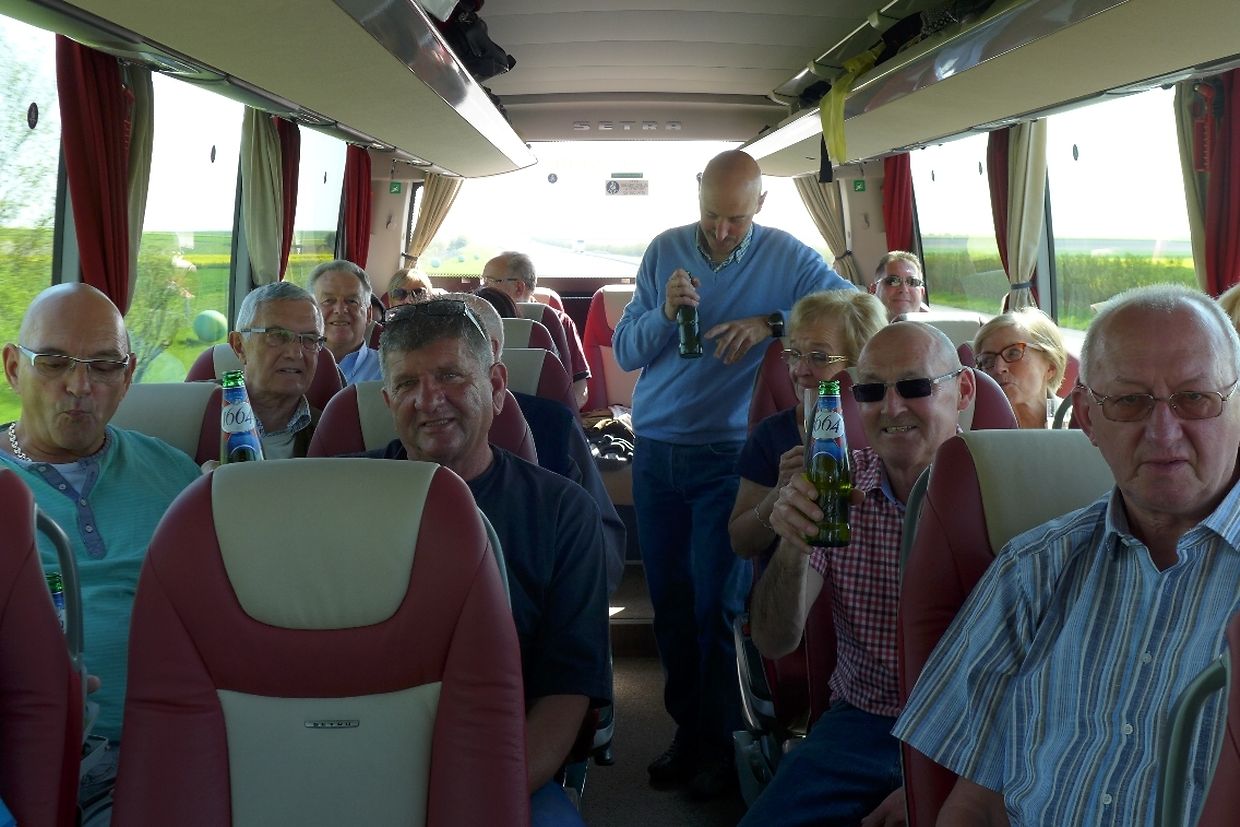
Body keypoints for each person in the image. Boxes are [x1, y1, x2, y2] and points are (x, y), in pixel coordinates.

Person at [894, 284, 1240, 826]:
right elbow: (976, 804)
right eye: (1128, 401)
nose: (1163, 432)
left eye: (1195, 398)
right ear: (1087, 418)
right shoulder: (1031, 572)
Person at [612, 148, 854, 797]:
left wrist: (772, 324)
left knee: (715, 605)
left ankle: (722, 743)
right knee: (670, 603)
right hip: (655, 448)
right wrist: (664, 313)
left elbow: (856, 308)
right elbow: (627, 350)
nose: (721, 231)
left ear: (761, 206)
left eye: (737, 220)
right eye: (712, 215)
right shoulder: (664, 250)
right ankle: (689, 731)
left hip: (725, 453)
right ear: (698, 195)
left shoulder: (788, 256)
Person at [371, 299, 610, 826]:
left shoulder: (561, 512)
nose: (428, 400)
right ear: (388, 400)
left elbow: (567, 688)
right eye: (407, 384)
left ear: (497, 386)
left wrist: (480, 799)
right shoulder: (340, 495)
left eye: (450, 376)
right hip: (360, 755)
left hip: (501, 761)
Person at [737, 322, 975, 826]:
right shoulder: (836, 493)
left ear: (964, 390)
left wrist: (938, 787)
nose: (892, 408)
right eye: (870, 392)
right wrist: (793, 545)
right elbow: (776, 642)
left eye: (914, 386)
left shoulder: (1004, 492)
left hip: (977, 730)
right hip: (863, 724)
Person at [0, 285, 200, 747]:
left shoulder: (175, 475)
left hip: (177, 743)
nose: (80, 386)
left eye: (105, 365)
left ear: (127, 376)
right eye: (53, 362)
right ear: (13, 368)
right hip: (23, 750)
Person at [441, 291, 628, 594]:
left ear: (492, 353)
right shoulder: (396, 429)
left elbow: (602, 539)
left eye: (450, 371)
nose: (430, 398)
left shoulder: (552, 427)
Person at [729, 290, 886, 560]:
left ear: (860, 364)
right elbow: (741, 544)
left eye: (819, 357)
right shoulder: (772, 434)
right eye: (795, 354)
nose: (799, 370)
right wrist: (779, 493)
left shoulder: (887, 432)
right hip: (786, 577)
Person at [228, 282, 326, 458]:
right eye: (277, 336)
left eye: (310, 338)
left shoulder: (330, 433)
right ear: (239, 346)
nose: (295, 353)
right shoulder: (198, 413)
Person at [482, 252, 591, 410]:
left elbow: (580, 389)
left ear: (519, 287)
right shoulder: (480, 318)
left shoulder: (560, 323)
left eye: (490, 281)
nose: (483, 288)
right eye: (483, 280)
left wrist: (560, 415)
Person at [972, 307, 1069, 429]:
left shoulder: (1080, 426)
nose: (998, 368)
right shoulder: (975, 430)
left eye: (1013, 353)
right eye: (988, 360)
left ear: (1051, 366)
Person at [307, 259, 381, 384]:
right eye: (328, 301)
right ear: (311, 311)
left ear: (369, 314)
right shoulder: (295, 368)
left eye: (352, 301)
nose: (340, 310)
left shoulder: (391, 373)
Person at [870, 251, 928, 321]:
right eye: (893, 281)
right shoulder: (860, 326)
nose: (904, 289)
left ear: (922, 292)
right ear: (873, 290)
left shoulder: (935, 325)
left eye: (913, 282)